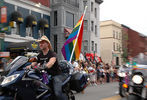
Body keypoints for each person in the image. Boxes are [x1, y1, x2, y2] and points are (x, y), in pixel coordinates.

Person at [27, 35, 67, 100]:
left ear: (47, 44)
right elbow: (33, 64)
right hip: (45, 76)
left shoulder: (52, 53)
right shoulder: (39, 55)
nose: (40, 44)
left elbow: (51, 63)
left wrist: (44, 66)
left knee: (57, 93)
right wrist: (25, 67)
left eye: (42, 42)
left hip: (55, 75)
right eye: (40, 43)